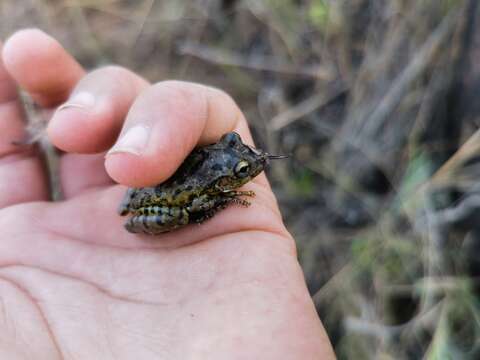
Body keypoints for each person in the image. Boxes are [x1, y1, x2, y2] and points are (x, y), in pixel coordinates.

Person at [0, 29, 335, 359]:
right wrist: (226, 198)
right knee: (184, 208)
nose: (251, 164)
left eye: (242, 168)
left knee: (173, 184)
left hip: (151, 194)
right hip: (157, 201)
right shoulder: (216, 188)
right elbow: (202, 202)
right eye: (241, 171)